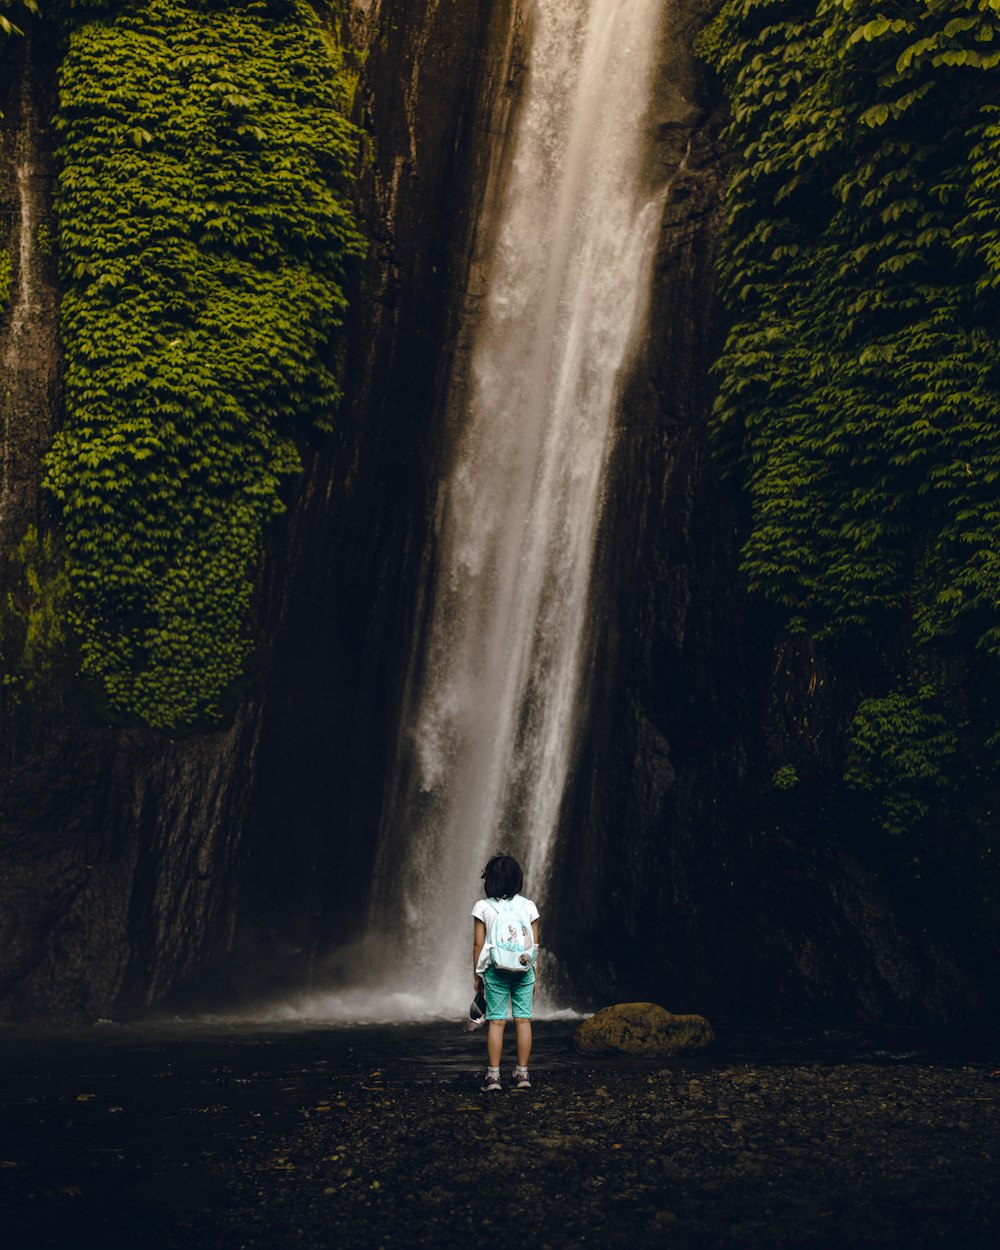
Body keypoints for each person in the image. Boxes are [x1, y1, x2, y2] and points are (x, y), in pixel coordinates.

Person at [471, 853, 540, 1092]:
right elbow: (535, 946)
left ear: (488, 881)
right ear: (518, 880)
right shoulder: (528, 906)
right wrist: (535, 975)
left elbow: (478, 945)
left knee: (497, 1023)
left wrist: (477, 975)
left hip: (495, 971)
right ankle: (522, 1074)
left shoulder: (483, 907)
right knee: (523, 1021)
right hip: (524, 970)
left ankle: (493, 1077)